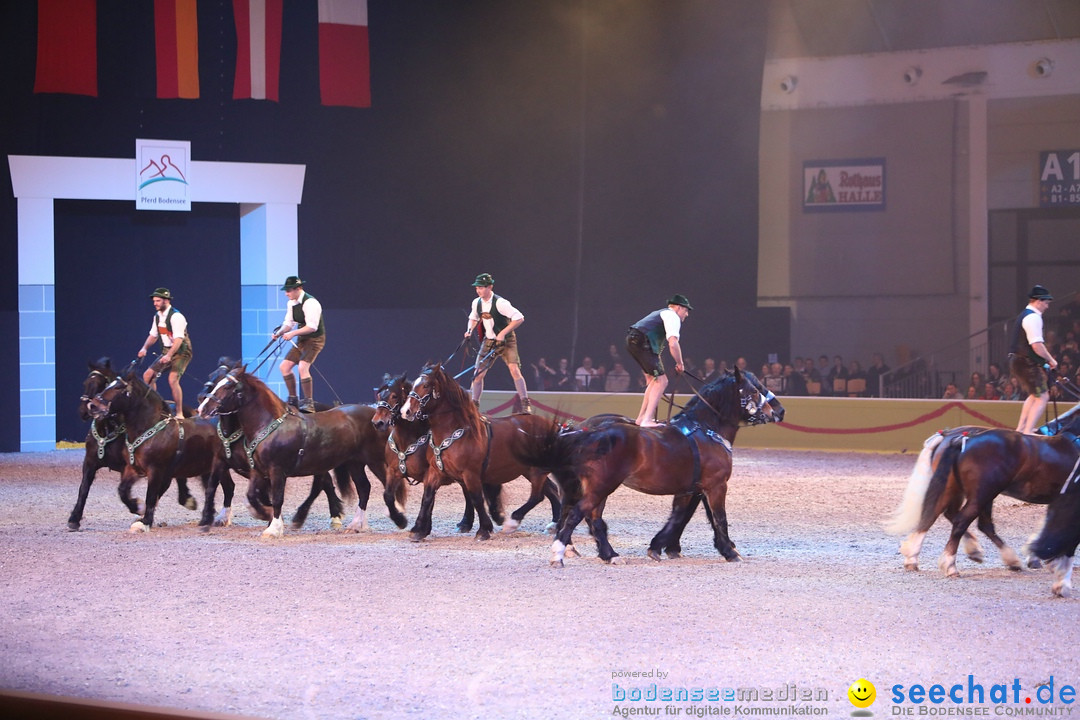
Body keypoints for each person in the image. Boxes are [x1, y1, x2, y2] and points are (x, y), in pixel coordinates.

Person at [464, 272, 530, 413]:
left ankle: (525, 403)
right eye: (477, 288)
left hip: (507, 341)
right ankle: (474, 405)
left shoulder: (500, 303)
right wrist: (469, 330)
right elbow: (473, 318)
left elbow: (519, 318)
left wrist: (502, 333)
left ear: (490, 287)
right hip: (489, 340)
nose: (478, 290)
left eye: (481, 287)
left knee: (514, 369)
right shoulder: (477, 303)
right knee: (478, 374)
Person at [625, 294, 692, 427]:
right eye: (686, 310)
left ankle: (641, 418)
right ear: (678, 308)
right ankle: (646, 420)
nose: (686, 314)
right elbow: (673, 343)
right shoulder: (673, 316)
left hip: (633, 341)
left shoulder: (660, 314)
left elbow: (652, 348)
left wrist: (648, 372)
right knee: (662, 381)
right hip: (641, 342)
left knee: (656, 380)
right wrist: (680, 363)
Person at [1009, 284, 1058, 434]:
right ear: (1038, 301)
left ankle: (1022, 428)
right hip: (1025, 362)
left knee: (1034, 394)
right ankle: (1028, 430)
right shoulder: (1033, 317)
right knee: (1043, 396)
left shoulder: (1026, 315)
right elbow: (1036, 345)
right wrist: (1051, 360)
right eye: (1046, 303)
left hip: (1018, 360)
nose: (1047, 306)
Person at [137, 287, 192, 418]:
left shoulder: (176, 316)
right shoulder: (157, 317)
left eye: (158, 301)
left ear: (166, 300)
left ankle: (179, 413)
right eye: (154, 301)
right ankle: (154, 406)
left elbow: (179, 339)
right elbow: (153, 335)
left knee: (172, 379)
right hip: (167, 350)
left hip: (181, 352)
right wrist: (144, 348)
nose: (155, 303)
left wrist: (168, 355)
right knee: (148, 376)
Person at [273, 276, 325, 412]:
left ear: (298, 289)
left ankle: (309, 402)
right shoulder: (292, 303)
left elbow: (312, 327)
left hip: (315, 339)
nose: (286, 294)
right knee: (284, 367)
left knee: (303, 367)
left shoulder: (311, 303)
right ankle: (293, 399)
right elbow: (289, 323)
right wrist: (280, 332)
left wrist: (292, 334)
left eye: (289, 291)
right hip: (302, 339)